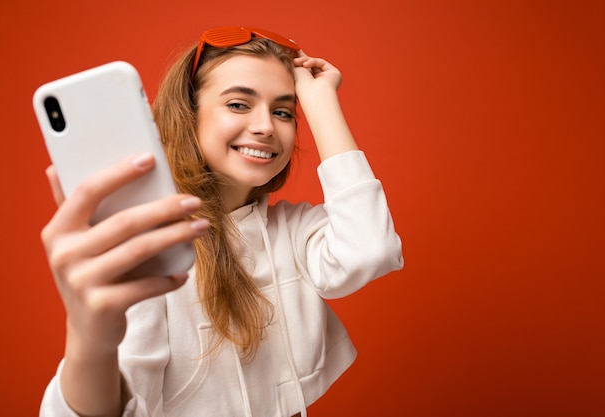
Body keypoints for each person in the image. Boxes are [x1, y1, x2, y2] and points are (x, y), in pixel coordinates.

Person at [39, 26, 403, 417]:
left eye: (283, 111)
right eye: (238, 104)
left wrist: (320, 99)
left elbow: (370, 250)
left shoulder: (293, 231)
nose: (266, 126)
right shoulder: (156, 251)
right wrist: (89, 340)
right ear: (189, 115)